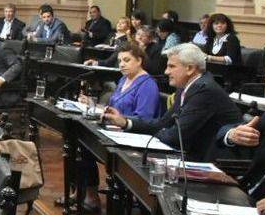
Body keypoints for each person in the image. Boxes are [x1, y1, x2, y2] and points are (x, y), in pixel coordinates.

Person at [104, 43, 242, 161]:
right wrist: (126, 122)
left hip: (215, 161)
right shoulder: (185, 87)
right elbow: (163, 123)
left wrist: (154, 133)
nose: (166, 71)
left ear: (190, 68)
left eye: (171, 66)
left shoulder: (204, 90)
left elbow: (176, 136)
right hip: (194, 153)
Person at [76, 43, 159, 210]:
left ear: (139, 60)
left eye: (127, 60)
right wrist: (94, 105)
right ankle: (82, 191)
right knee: (80, 140)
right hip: (115, 131)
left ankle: (90, 195)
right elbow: (114, 109)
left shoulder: (147, 85)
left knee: (85, 147)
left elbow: (145, 119)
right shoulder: (123, 80)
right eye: (120, 61)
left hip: (133, 137)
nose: (121, 64)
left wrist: (122, 121)